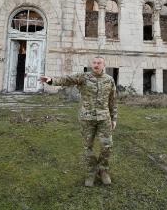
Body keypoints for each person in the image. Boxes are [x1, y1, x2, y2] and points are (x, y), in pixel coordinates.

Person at [40, 56, 117, 187]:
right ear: (91, 64)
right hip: (87, 118)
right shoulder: (84, 77)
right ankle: (91, 172)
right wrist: (51, 81)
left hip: (104, 118)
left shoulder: (109, 80)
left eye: (99, 63)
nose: (96, 65)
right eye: (94, 62)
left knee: (107, 146)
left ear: (104, 65)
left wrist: (114, 118)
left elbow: (113, 100)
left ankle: (103, 170)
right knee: (88, 147)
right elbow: (67, 80)